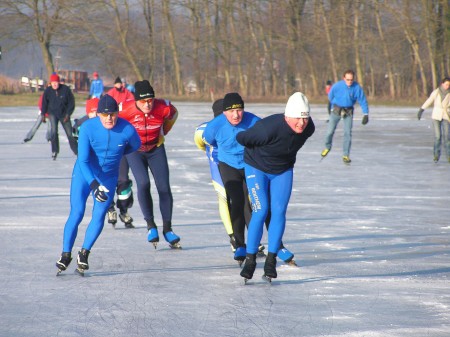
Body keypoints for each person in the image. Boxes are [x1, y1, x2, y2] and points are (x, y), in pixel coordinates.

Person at [55, 94, 141, 275]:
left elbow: (134, 145)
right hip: (84, 175)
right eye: (104, 114)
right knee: (77, 212)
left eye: (112, 114)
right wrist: (94, 185)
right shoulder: (87, 128)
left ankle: (84, 253)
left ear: (118, 113)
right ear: (99, 114)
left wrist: (116, 157)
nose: (109, 118)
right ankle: (66, 253)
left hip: (108, 176)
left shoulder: (127, 129)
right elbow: (83, 160)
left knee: (100, 213)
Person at [236, 92, 315, 282]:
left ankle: (271, 261)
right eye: (297, 118)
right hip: (257, 167)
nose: (301, 123)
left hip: (282, 170)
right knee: (261, 210)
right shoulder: (267, 129)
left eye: (305, 118)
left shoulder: (309, 128)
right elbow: (242, 138)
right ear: (287, 116)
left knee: (279, 211)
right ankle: (251, 259)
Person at [120, 80, 181, 248]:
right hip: (134, 151)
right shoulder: (125, 109)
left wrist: (164, 131)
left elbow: (174, 114)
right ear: (136, 101)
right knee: (143, 183)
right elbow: (110, 120)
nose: (147, 104)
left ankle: (167, 229)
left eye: (150, 100)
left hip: (156, 148)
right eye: (143, 101)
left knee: (164, 187)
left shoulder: (164, 107)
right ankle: (151, 225)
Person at [203, 93, 260, 264]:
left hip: (249, 164)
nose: (236, 115)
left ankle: (256, 243)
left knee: (253, 203)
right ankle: (239, 244)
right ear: (224, 112)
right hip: (228, 165)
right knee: (235, 201)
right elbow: (207, 140)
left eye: (239, 110)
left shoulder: (253, 121)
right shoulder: (215, 126)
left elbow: (266, 136)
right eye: (231, 111)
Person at [194, 99, 236, 250]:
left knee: (243, 201)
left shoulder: (236, 126)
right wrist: (210, 154)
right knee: (224, 198)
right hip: (218, 167)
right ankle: (233, 237)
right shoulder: (204, 129)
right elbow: (200, 142)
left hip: (235, 166)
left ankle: (249, 239)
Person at [105, 77, 136, 228]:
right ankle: (110, 208)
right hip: (107, 153)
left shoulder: (128, 94)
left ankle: (124, 210)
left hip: (123, 149)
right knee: (107, 180)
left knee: (123, 179)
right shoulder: (110, 94)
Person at [321, 69, 369, 164]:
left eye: (351, 80)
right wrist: (331, 106)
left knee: (347, 133)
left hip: (348, 112)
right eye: (347, 79)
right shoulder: (337, 86)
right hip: (336, 110)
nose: (349, 82)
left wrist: (366, 114)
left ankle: (345, 155)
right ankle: (327, 147)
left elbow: (362, 100)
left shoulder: (356, 87)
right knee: (329, 131)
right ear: (344, 78)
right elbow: (330, 96)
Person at [41, 73, 78, 160]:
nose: (54, 84)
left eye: (56, 82)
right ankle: (55, 151)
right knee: (53, 132)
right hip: (53, 114)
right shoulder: (48, 91)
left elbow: (71, 103)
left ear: (59, 82)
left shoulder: (65, 90)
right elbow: (44, 103)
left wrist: (68, 114)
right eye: (53, 82)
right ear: (50, 83)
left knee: (70, 133)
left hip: (64, 114)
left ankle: (77, 151)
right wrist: (43, 114)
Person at [417, 77, 450, 163]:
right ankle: (436, 155)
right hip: (436, 116)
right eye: (446, 84)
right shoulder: (436, 92)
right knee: (438, 136)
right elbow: (429, 100)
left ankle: (449, 156)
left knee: (447, 137)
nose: (447, 86)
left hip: (446, 116)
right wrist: (421, 110)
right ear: (442, 84)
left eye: (449, 85)